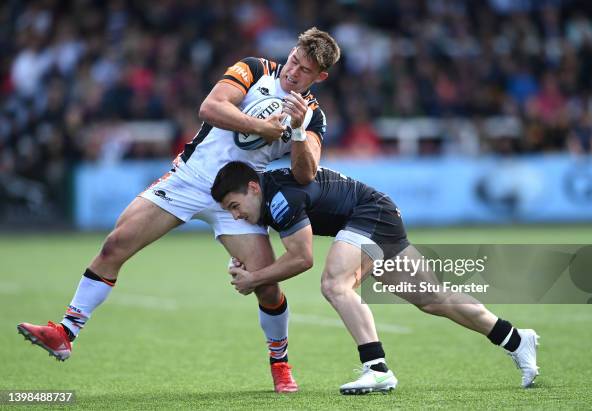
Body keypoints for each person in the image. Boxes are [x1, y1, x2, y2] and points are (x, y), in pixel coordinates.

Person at [17, 27, 341, 394]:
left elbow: (306, 172)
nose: (293, 71)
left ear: (320, 77)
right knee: (115, 245)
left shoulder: (312, 115)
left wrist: (296, 132)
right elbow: (210, 108)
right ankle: (65, 332)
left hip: (238, 201)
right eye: (294, 59)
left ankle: (280, 364)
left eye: (304, 70)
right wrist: (261, 128)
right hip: (189, 179)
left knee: (266, 286)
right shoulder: (256, 69)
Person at [211, 161, 540, 394]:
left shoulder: (280, 199)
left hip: (368, 214)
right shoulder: (270, 194)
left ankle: (377, 369)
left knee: (335, 284)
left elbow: (302, 258)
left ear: (254, 188)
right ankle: (515, 339)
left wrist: (253, 280)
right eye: (229, 211)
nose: (235, 215)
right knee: (432, 298)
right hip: (379, 213)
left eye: (235, 205)